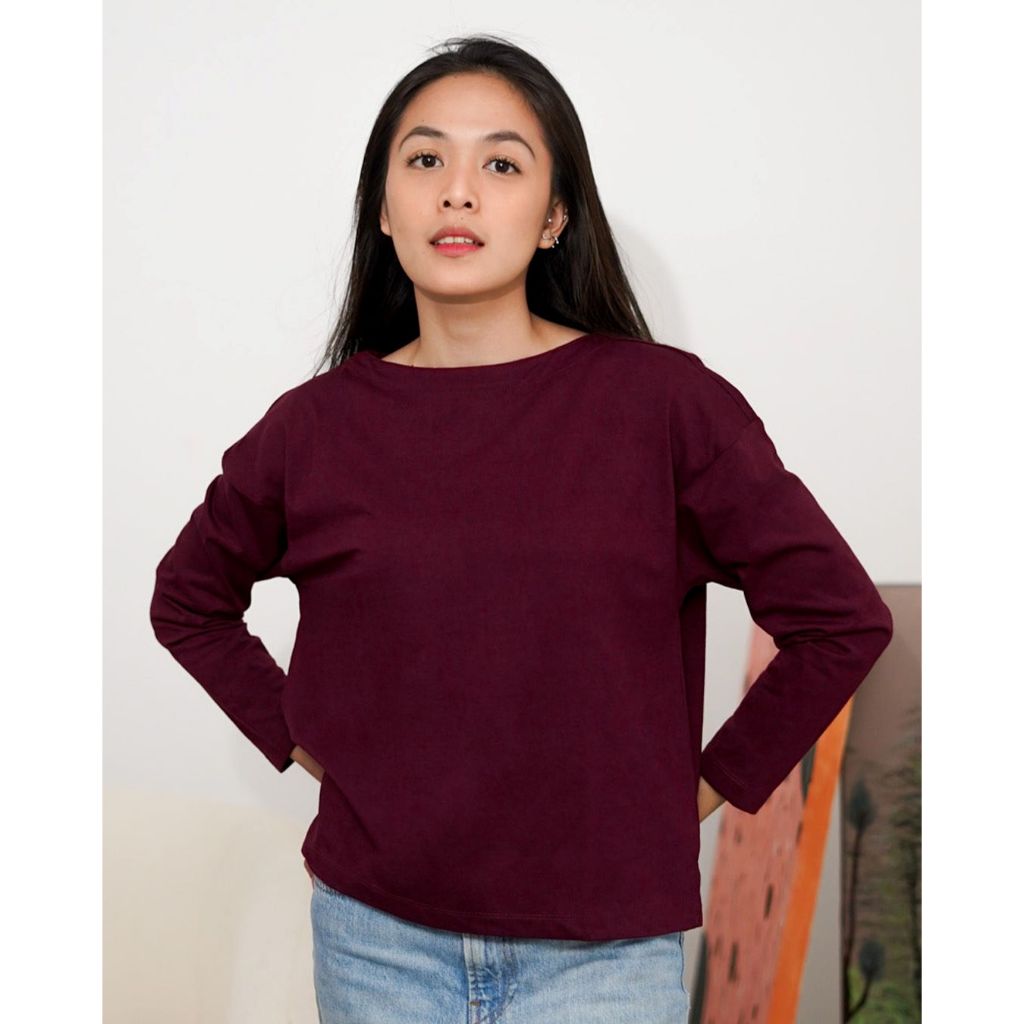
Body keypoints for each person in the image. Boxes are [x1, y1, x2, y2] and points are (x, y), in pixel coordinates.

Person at [149, 34, 893, 1024]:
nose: (457, 192)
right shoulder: (313, 429)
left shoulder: (664, 406)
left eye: (501, 165)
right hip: (374, 940)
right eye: (425, 159)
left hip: (602, 956)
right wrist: (302, 738)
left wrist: (704, 786)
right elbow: (188, 599)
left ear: (553, 216)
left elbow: (841, 619)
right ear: (383, 207)